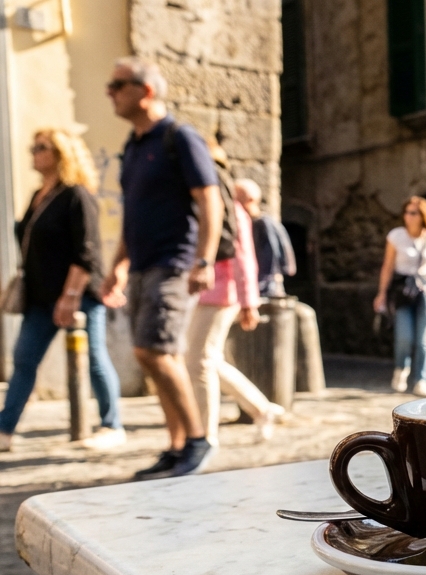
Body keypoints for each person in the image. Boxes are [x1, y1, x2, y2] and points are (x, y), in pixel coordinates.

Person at [99, 56, 221, 478]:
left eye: (117, 84)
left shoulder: (179, 137)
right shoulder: (133, 147)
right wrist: (118, 266)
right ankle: (176, 446)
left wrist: (203, 259)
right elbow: (133, 218)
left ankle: (198, 440)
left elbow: (209, 199)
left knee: (153, 351)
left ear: (145, 90)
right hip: (141, 266)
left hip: (174, 261)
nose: (109, 92)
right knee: (155, 357)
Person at [0, 128, 125, 452]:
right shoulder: (39, 195)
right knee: (24, 360)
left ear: (60, 153)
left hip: (78, 293)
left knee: (95, 358)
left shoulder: (77, 194)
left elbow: (86, 252)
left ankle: (112, 425)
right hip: (40, 297)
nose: (33, 153)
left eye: (40, 147)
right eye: (33, 146)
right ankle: (4, 430)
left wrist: (70, 296)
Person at [186, 143, 286, 444]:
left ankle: (205, 436)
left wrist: (248, 302)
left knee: (200, 362)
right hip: (205, 293)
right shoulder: (205, 200)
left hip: (222, 293)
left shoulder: (229, 206)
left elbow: (244, 258)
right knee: (208, 360)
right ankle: (262, 409)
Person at [373, 196, 426, 398]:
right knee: (404, 336)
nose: (408, 216)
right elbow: (388, 266)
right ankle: (401, 369)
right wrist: (381, 293)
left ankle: (421, 381)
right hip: (402, 290)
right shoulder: (396, 236)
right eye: (406, 212)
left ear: (422, 216)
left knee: (424, 338)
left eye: (413, 213)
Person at [233, 179, 296, 298]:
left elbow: (270, 263)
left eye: (237, 198)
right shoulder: (248, 224)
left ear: (250, 200)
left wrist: (256, 289)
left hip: (266, 291)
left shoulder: (264, 224)